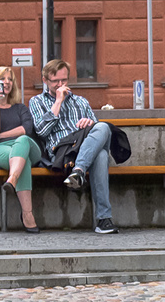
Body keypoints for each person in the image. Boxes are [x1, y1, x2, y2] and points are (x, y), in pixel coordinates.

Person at [29, 58, 118, 234]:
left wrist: (90, 123)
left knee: (103, 128)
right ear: (45, 80)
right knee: (100, 156)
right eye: (55, 81)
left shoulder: (81, 101)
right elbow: (41, 131)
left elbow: (99, 134)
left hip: (84, 149)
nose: (60, 85)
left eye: (63, 80)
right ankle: (104, 219)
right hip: (62, 153)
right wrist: (58, 101)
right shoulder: (36, 102)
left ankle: (78, 171)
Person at [0, 64, 41, 233]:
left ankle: (12, 179)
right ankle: (27, 215)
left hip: (27, 146)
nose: (6, 82)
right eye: (2, 79)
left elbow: (26, 130)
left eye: (9, 79)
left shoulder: (20, 108)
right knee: (23, 162)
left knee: (22, 141)